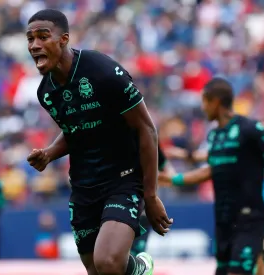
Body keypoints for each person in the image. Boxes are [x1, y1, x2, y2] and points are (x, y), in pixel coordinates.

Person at [25, 9, 173, 275]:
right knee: (97, 270)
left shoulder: (102, 71)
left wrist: (150, 195)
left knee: (109, 263)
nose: (34, 45)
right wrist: (49, 153)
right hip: (84, 187)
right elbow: (76, 132)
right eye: (30, 39)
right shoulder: (45, 92)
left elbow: (147, 129)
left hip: (122, 178)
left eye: (42, 37)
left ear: (63, 39)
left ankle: (141, 267)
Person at [159, 78, 264, 275]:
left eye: (205, 101)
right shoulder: (215, 135)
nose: (203, 107)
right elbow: (211, 168)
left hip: (249, 218)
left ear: (215, 102)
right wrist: (173, 178)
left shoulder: (250, 129)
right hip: (223, 219)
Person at [130, 145, 175, 256]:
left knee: (135, 255)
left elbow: (170, 175)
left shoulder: (150, 141)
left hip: (142, 209)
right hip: (113, 207)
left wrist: (149, 178)